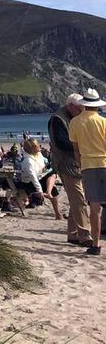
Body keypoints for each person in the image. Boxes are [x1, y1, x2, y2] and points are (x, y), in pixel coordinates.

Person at [48, 92, 91, 247]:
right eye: (80, 108)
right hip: (66, 163)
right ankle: (85, 235)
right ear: (71, 106)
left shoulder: (73, 117)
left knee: (76, 198)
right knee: (79, 199)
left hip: (76, 162)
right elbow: (60, 142)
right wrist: (81, 146)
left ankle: (72, 234)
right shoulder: (58, 119)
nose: (83, 111)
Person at [69, 87, 106, 256]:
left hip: (88, 165)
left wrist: (80, 163)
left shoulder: (75, 122)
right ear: (97, 105)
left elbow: (76, 149)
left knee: (94, 207)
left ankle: (96, 245)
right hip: (105, 161)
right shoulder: (103, 122)